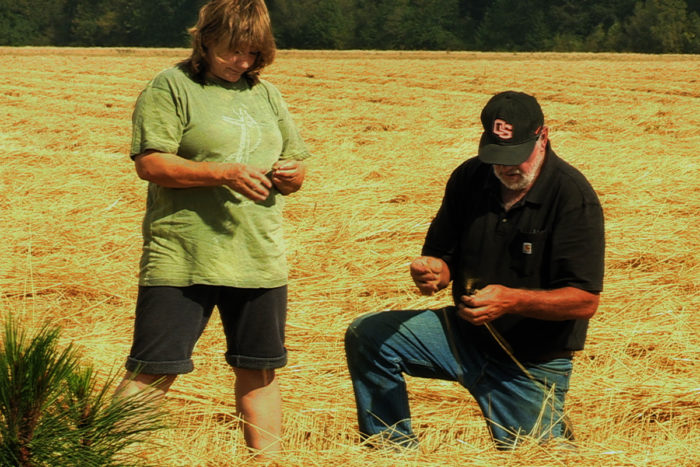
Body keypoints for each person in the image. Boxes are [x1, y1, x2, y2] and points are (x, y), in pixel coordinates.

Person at [345, 91, 604, 450]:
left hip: (528, 363)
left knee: (539, 457)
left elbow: (583, 301)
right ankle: (392, 453)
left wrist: (511, 301)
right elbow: (443, 257)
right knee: (368, 336)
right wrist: (435, 271)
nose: (507, 168)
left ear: (543, 136)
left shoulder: (572, 195)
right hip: (462, 337)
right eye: (498, 158)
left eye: (517, 156)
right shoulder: (469, 177)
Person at [115, 0, 311, 457]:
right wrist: (221, 173)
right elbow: (151, 163)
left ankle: (268, 463)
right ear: (203, 40)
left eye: (252, 54)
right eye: (231, 52)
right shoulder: (171, 87)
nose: (241, 63)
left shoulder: (266, 95)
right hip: (184, 255)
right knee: (154, 369)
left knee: (259, 371)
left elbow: (297, 164)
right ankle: (107, 455)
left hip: (258, 258)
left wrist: (292, 176)